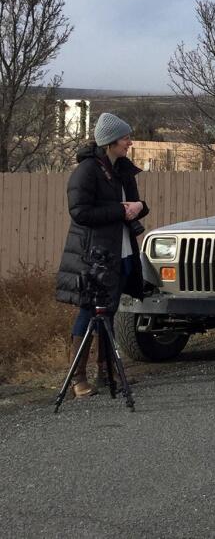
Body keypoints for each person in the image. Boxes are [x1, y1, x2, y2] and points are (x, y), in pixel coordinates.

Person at [55, 112, 149, 398]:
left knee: (109, 311)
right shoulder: (87, 171)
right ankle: (78, 377)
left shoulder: (122, 169)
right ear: (109, 141)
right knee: (88, 311)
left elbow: (134, 205)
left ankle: (107, 372)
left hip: (120, 252)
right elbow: (80, 212)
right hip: (93, 254)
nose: (129, 142)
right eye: (125, 138)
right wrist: (120, 210)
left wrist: (139, 207)